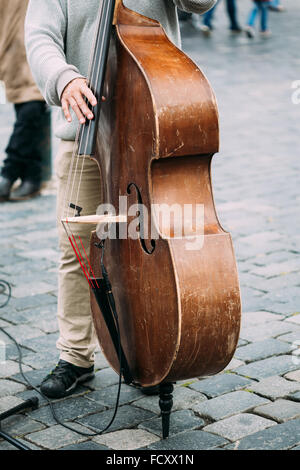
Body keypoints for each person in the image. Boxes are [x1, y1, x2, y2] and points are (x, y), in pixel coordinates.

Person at [25, 0, 217, 399]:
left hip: (149, 133)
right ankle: (75, 356)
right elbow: (40, 36)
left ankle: (154, 350)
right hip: (86, 135)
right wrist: (63, 79)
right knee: (76, 248)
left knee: (152, 251)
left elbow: (200, 3)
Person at [0, 0, 49, 202]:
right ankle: (32, 176)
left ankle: (9, 172)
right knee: (26, 111)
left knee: (31, 109)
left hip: (37, 48)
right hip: (12, 50)